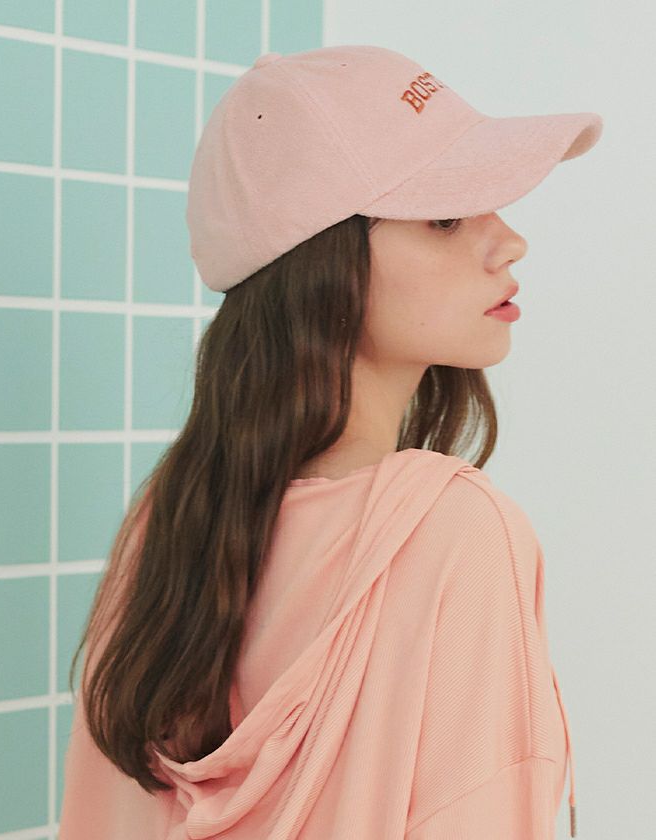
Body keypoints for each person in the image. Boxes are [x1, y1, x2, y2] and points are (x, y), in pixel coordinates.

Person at [58, 44, 603, 839]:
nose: (510, 241)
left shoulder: (165, 528)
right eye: (446, 217)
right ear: (324, 265)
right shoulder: (452, 532)